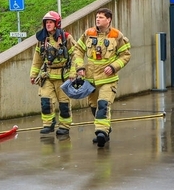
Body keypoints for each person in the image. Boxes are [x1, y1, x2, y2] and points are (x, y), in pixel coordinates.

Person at [72, 8, 131, 148]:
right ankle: (105, 128)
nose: (98, 19)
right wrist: (80, 67)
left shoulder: (117, 35)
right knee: (93, 106)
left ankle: (101, 133)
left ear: (108, 20)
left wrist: (114, 67)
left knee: (103, 104)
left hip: (108, 80)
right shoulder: (88, 33)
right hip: (91, 80)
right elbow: (78, 50)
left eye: (101, 17)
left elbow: (125, 55)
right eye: (97, 17)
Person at [30, 11, 75, 136]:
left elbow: (76, 55)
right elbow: (37, 58)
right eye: (46, 22)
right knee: (45, 101)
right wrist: (33, 75)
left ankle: (64, 127)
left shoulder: (66, 37)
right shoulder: (42, 39)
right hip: (47, 76)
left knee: (64, 104)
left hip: (63, 77)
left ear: (57, 23)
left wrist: (73, 72)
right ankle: (48, 125)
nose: (48, 25)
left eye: (50, 22)